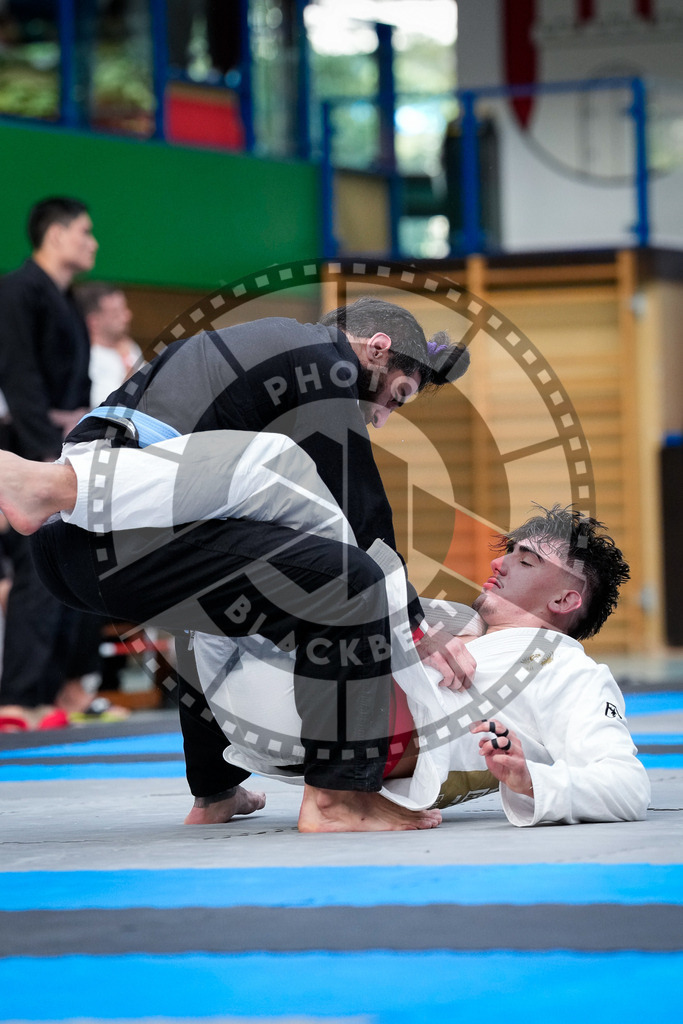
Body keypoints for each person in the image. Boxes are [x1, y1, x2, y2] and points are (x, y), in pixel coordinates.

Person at [0, 298, 473, 830]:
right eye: (393, 397)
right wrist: (416, 624)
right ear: (376, 350)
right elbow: (362, 508)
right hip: (110, 530)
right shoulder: (323, 359)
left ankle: (214, 790)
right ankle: (340, 798)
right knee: (353, 583)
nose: (380, 419)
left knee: (227, 607)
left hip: (68, 550)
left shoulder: (249, 356)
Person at [192, 504, 651, 828]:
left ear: (565, 599)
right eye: (508, 551)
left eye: (525, 560)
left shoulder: (567, 669)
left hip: (338, 729)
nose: (499, 562)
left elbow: (626, 785)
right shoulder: (453, 621)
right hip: (246, 701)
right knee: (200, 586)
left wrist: (531, 779)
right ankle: (216, 794)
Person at [0, 196, 106, 730]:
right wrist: (41, 461)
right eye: (85, 232)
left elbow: (79, 389)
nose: (92, 243)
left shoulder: (66, 301)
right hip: (26, 448)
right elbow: (19, 379)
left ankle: (45, 693)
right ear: (56, 234)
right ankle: (17, 696)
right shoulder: (17, 290)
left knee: (58, 569)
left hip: (63, 447)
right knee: (32, 572)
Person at [77, 283, 142, 407]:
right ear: (93, 321)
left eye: (125, 309)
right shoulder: (86, 359)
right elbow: (101, 406)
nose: (127, 316)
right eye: (116, 313)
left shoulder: (131, 347)